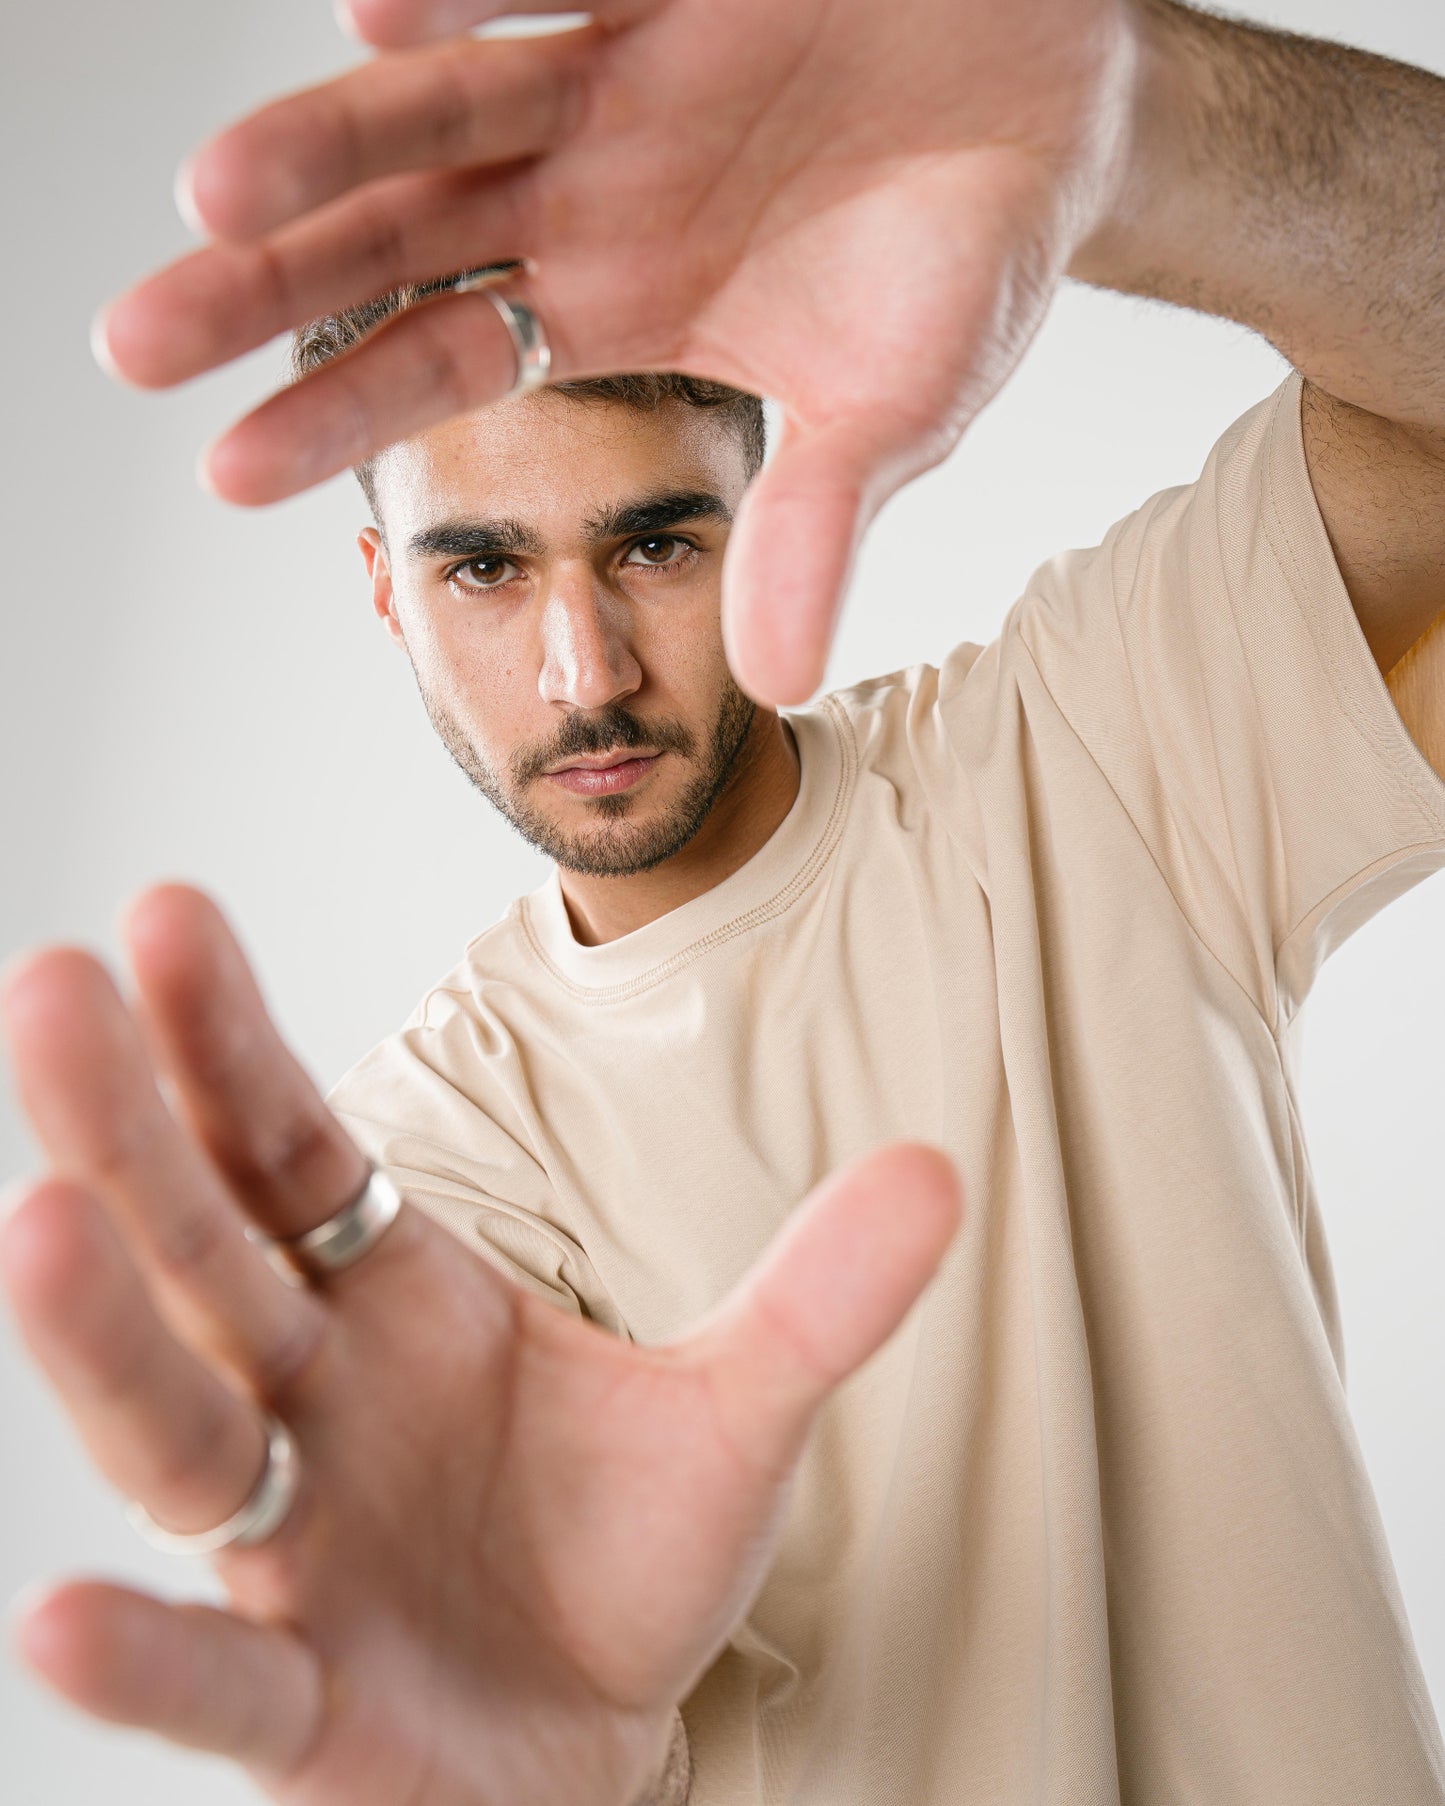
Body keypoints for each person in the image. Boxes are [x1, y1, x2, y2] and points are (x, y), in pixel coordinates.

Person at [5, 3, 1445, 1805]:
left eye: (653, 542)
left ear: (763, 500)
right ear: (385, 589)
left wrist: (1132, 120)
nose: (581, 667)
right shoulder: (420, 1180)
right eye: (481, 566)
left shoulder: (1091, 756)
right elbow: (497, 1656)